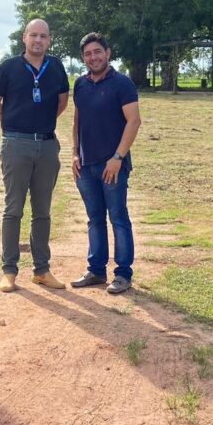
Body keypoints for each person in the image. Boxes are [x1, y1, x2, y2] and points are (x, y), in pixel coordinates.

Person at [0, 19, 70, 293]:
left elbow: (62, 101)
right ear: (24, 38)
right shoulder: (9, 67)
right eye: (33, 35)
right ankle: (9, 270)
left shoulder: (56, 67)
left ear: (49, 40)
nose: (38, 40)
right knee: (13, 210)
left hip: (46, 146)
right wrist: (10, 124)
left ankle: (42, 271)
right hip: (15, 145)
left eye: (43, 36)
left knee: (42, 212)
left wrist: (41, 124)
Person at [70, 33, 142, 294]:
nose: (93, 57)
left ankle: (123, 274)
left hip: (113, 165)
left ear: (108, 53)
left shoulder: (122, 83)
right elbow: (77, 122)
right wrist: (74, 153)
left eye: (97, 52)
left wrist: (117, 158)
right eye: (88, 54)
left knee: (119, 218)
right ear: (83, 58)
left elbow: (133, 122)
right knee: (94, 218)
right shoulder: (80, 84)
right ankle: (96, 271)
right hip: (86, 165)